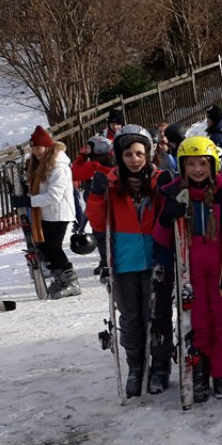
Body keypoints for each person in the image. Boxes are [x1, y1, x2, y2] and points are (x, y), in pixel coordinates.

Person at [155, 136, 222, 401]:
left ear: (213, 165)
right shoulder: (173, 193)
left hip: (220, 269)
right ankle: (199, 370)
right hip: (189, 269)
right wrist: (166, 217)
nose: (197, 170)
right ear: (182, 166)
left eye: (202, 164)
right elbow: (160, 239)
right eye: (191, 164)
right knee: (196, 323)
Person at [86, 126, 171, 396]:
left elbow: (171, 217)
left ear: (148, 153)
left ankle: (159, 367)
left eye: (139, 153)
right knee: (131, 317)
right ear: (119, 156)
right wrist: (97, 196)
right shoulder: (110, 184)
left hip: (154, 258)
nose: (134, 159)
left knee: (157, 316)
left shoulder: (158, 181)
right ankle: (136, 366)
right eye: (128, 154)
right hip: (123, 262)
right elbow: (98, 222)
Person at [11, 127, 80, 298]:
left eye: (38, 148)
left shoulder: (58, 166)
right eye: (33, 148)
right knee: (44, 247)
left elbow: (55, 195)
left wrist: (29, 201)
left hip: (58, 213)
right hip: (46, 213)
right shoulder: (40, 164)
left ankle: (71, 282)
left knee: (53, 247)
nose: (35, 152)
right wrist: (25, 194)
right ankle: (60, 278)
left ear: (47, 147)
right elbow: (39, 189)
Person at [71, 135, 115, 279]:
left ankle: (105, 262)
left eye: (90, 147)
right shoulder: (113, 163)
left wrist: (81, 157)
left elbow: (75, 173)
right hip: (112, 204)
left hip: (96, 204)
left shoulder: (94, 165)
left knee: (100, 235)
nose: (87, 150)